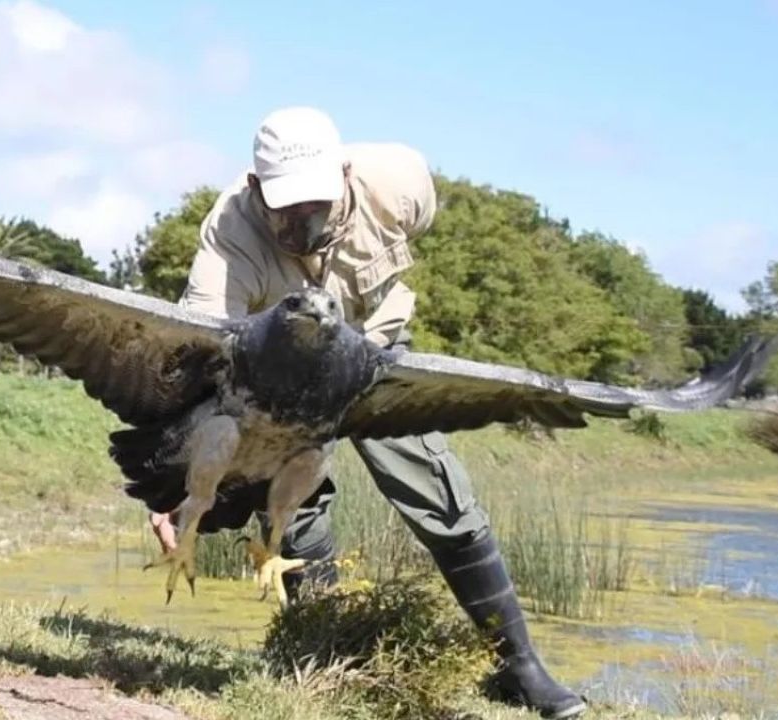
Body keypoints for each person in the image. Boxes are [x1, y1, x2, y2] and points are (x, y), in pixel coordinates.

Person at [147, 106, 588, 720]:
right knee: (291, 507)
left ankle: (519, 668)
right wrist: (178, 482)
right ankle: (328, 652)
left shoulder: (402, 182)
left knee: (441, 492)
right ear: (255, 190)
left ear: (346, 176)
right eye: (286, 210)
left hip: (373, 358)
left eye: (318, 207)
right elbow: (199, 358)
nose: (304, 227)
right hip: (286, 385)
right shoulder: (229, 235)